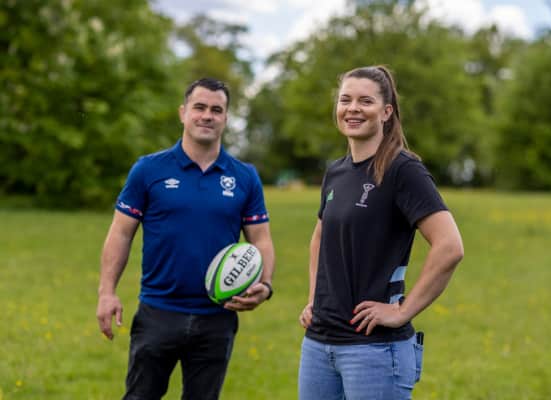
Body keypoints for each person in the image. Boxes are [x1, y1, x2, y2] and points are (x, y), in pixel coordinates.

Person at [96, 77, 275, 400]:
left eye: (216, 110)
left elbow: (261, 239)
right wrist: (107, 292)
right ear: (183, 113)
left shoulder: (244, 176)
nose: (207, 115)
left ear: (226, 118)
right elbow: (121, 233)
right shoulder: (148, 170)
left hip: (218, 316)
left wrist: (265, 285)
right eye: (199, 107)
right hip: (158, 311)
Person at [298, 66, 464, 400]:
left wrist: (402, 311)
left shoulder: (403, 170)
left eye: (365, 101)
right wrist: (315, 298)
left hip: (374, 351)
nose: (353, 108)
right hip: (318, 346)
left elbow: (449, 246)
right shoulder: (336, 171)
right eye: (345, 100)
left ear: (386, 112)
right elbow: (319, 237)